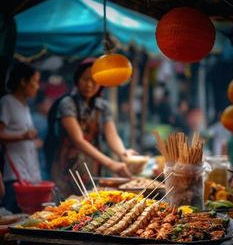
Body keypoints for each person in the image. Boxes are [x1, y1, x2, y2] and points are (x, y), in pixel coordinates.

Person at [49, 57, 137, 198]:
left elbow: (112, 135)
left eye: (94, 80)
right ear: (77, 80)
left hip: (92, 166)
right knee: (65, 209)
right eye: (85, 79)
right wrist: (111, 163)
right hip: (68, 167)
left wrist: (123, 153)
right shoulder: (67, 103)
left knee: (89, 206)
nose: (89, 85)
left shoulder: (103, 106)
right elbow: (78, 140)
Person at [0, 61, 42, 212]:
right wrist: (22, 136)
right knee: (12, 214)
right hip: (14, 173)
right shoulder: (7, 102)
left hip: (27, 169)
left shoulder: (24, 105)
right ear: (23, 81)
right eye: (35, 81)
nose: (38, 86)